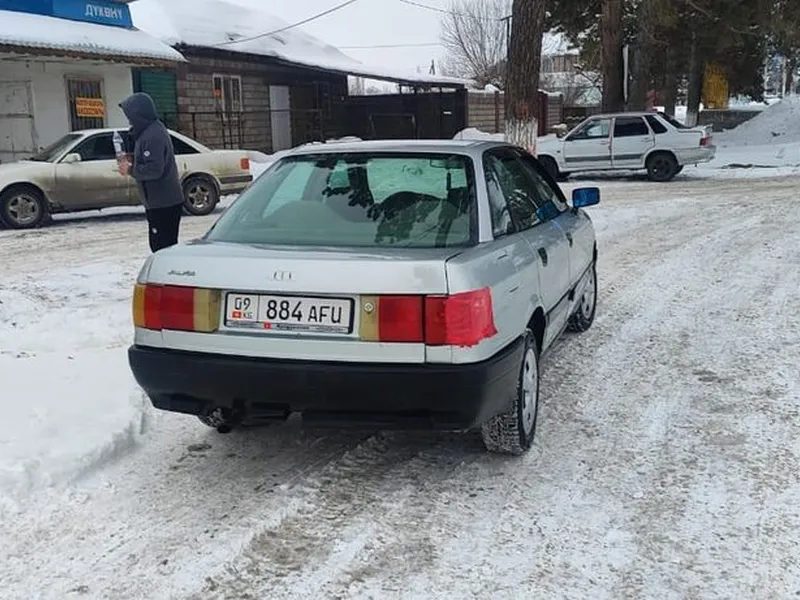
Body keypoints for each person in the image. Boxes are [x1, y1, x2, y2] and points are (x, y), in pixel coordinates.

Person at [119, 93, 184, 253]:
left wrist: (130, 169)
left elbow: (154, 169)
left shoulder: (152, 135)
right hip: (159, 201)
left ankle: (166, 269)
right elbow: (151, 159)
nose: (129, 120)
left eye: (130, 115)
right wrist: (133, 158)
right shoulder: (147, 132)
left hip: (164, 203)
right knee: (160, 246)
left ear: (139, 114)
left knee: (162, 248)